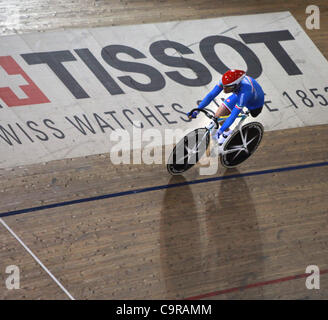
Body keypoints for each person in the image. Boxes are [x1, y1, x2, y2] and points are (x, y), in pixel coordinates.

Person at [187, 69, 264, 145]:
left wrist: (220, 131)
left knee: (247, 113)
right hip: (238, 94)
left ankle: (230, 136)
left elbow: (233, 115)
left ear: (235, 85)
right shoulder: (226, 82)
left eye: (227, 87)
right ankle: (227, 132)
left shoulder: (245, 93)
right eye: (223, 86)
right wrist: (197, 110)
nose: (224, 89)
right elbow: (210, 96)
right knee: (218, 116)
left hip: (255, 103)